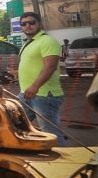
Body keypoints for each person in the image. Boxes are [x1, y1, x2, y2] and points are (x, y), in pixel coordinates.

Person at [17, 12, 65, 145]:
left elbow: (50, 66)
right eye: (24, 24)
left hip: (44, 95)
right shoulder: (29, 43)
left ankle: (62, 161)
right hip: (26, 94)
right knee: (16, 124)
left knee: (50, 133)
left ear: (39, 24)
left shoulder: (47, 41)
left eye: (32, 22)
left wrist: (35, 86)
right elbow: (33, 65)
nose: (28, 26)